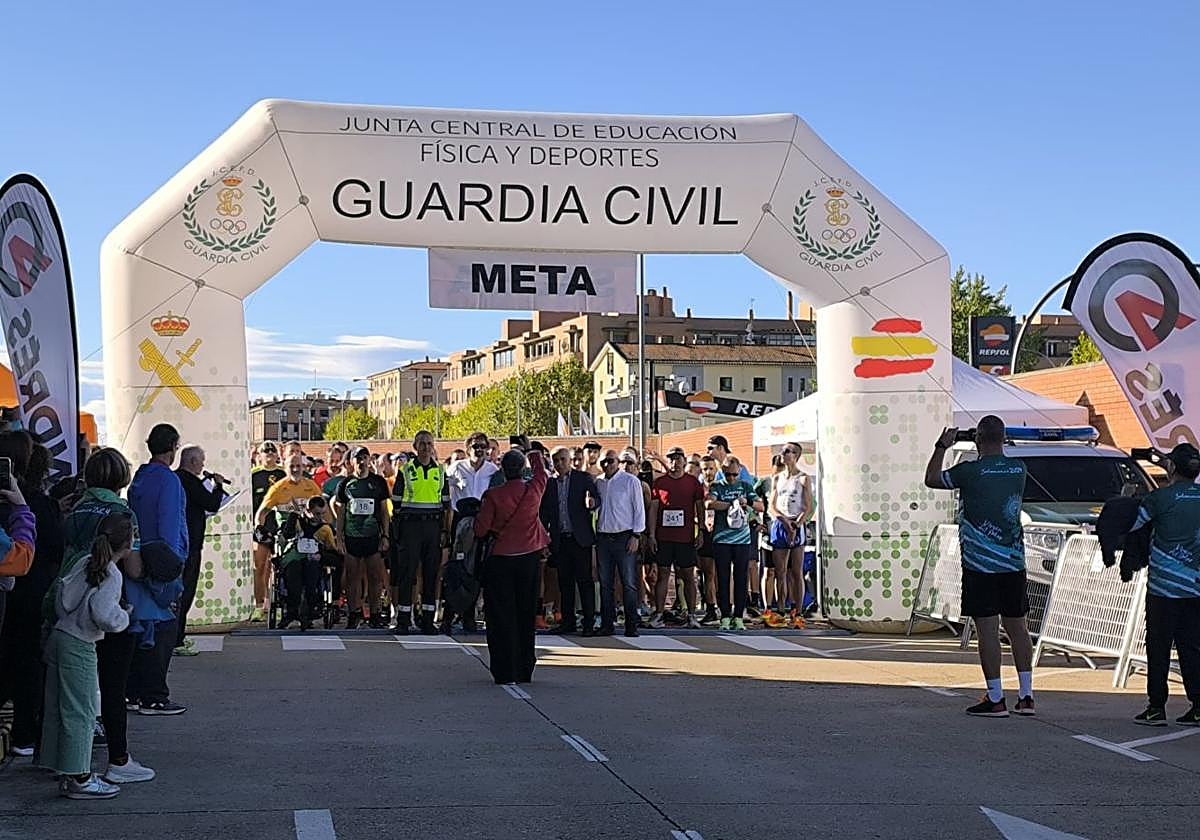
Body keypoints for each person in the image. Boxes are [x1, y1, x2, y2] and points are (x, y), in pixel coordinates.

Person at [56, 448, 156, 781]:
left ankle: (67, 762)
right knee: (113, 687)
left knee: (72, 695)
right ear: (121, 478)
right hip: (107, 605)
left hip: (67, 603)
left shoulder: (72, 507)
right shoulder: (121, 513)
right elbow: (134, 565)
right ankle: (118, 759)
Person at [925, 416, 1034, 718]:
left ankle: (996, 697)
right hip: (1014, 561)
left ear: (977, 440)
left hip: (980, 564)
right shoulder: (1019, 470)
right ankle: (1026, 696)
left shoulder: (969, 472)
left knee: (987, 630)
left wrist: (941, 446)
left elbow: (932, 478)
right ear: (1004, 437)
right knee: (1018, 628)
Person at [41, 512, 132, 799]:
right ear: (127, 544)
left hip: (60, 634)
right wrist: (124, 617)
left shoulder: (84, 562)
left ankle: (64, 768)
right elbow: (104, 614)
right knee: (82, 712)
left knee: (59, 707)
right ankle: (80, 777)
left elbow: (62, 594)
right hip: (81, 642)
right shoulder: (112, 574)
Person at [1126, 443, 1200, 726]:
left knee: (1158, 647)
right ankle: (1198, 704)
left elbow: (1134, 526)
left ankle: (1156, 707)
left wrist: (1127, 499)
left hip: (1164, 588)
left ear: (1171, 468)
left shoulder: (1160, 498)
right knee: (1191, 646)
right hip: (1195, 587)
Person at [0, 437, 63, 759]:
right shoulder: (34, 503)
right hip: (29, 594)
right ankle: (25, 732)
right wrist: (22, 510)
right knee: (27, 662)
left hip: (16, 595)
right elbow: (25, 556)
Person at [126, 424, 189, 717]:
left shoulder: (140, 477)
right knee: (163, 628)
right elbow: (170, 524)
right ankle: (155, 695)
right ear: (173, 447)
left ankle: (136, 691)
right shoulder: (169, 481)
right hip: (162, 563)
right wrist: (172, 565)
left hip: (138, 559)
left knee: (140, 627)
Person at [475, 448, 548, 684]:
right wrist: (534, 453)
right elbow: (542, 473)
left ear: (503, 471)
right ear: (522, 469)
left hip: (501, 558)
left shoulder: (493, 495)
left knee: (501, 616)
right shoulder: (533, 489)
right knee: (526, 614)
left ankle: (504, 669)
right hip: (529, 557)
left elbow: (480, 530)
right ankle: (525, 667)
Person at [391, 430, 451, 634]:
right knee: (407, 575)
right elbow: (396, 503)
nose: (426, 447)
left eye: (429, 443)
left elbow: (446, 505)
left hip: (433, 527)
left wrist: (445, 530)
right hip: (411, 527)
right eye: (422, 444)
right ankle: (404, 620)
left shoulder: (441, 471)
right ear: (415, 447)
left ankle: (427, 619)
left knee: (431, 575)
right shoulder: (405, 470)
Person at [173, 446, 227, 655]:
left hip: (179, 542)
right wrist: (218, 486)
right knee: (185, 592)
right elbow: (212, 504)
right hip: (191, 545)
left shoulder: (176, 479)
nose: (203, 465)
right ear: (193, 461)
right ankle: (177, 639)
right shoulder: (190, 481)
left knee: (179, 592)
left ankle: (176, 636)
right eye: (202, 461)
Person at [540, 446, 599, 635]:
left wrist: (592, 502)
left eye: (562, 460)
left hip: (579, 539)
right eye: (556, 461)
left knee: (584, 581)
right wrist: (545, 539)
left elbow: (596, 498)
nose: (559, 464)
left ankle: (588, 622)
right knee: (564, 583)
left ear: (569, 460)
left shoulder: (582, 478)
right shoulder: (550, 484)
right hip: (560, 540)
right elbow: (545, 513)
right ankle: (568, 621)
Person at [444, 432, 499, 632]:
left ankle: (469, 616)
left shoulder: (492, 471)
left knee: (476, 570)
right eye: (475, 446)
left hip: (483, 522)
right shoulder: (457, 467)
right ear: (468, 449)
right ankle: (448, 616)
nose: (479, 450)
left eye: (483, 446)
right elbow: (444, 490)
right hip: (460, 523)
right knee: (457, 569)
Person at [649, 447, 705, 629]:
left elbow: (700, 507)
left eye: (678, 458)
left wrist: (701, 530)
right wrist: (651, 534)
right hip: (664, 537)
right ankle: (658, 614)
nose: (675, 462)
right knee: (663, 574)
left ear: (684, 460)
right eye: (671, 459)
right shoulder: (660, 482)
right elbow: (654, 509)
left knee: (688, 575)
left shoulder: (693, 483)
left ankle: (691, 615)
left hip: (686, 537)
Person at [336, 447, 391, 629]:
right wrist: (339, 537)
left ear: (369, 460)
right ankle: (354, 613)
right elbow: (341, 512)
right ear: (351, 462)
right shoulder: (345, 484)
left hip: (372, 536)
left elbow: (384, 511)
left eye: (364, 458)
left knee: (375, 577)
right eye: (357, 458)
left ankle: (374, 613)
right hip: (352, 536)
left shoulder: (378, 482)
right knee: (353, 577)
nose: (361, 461)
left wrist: (385, 535)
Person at [706, 456, 761, 631]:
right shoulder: (717, 486)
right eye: (728, 474)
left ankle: (738, 615)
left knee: (741, 577)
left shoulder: (745, 486)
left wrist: (748, 502)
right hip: (722, 539)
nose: (731, 478)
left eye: (734, 474)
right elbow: (709, 503)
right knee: (722, 578)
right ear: (722, 472)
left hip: (742, 540)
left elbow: (761, 506)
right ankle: (725, 616)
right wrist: (731, 504)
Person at [595, 449, 645, 637]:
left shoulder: (630, 481)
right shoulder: (599, 482)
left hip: (625, 536)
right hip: (604, 537)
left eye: (610, 461)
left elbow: (639, 509)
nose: (607, 465)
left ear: (617, 462)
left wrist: (636, 535)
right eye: (604, 462)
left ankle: (631, 625)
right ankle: (607, 624)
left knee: (629, 582)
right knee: (606, 583)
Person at [767, 442, 813, 630]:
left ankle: (798, 611)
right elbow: (772, 504)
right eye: (783, 451)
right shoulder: (777, 478)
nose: (784, 454)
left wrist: (796, 524)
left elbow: (808, 506)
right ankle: (780, 610)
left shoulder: (803, 478)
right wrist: (783, 521)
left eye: (788, 452)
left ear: (796, 456)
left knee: (797, 571)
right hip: (781, 523)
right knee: (780, 572)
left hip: (796, 522)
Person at [279, 496, 336, 630]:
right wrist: (293, 515)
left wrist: (320, 555)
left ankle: (311, 611)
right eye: (317, 514)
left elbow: (334, 553)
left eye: (322, 514)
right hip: (295, 559)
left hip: (313, 562)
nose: (320, 517)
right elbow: (287, 534)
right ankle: (292, 612)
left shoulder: (325, 529)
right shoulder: (297, 521)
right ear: (308, 510)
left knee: (312, 579)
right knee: (294, 578)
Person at [250, 443, 286, 621]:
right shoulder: (254, 475)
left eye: (273, 451)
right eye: (266, 451)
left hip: (279, 526)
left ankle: (276, 604)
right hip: (261, 527)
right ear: (260, 454)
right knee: (260, 566)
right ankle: (259, 605)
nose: (270, 454)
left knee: (277, 568)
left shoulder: (283, 473)